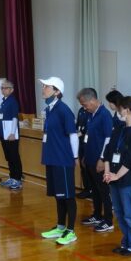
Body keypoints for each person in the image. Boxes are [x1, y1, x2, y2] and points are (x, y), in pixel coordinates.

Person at [102, 96, 131, 256]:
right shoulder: (120, 128)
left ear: (126, 110)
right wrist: (107, 171)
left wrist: (116, 175)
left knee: (130, 214)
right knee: (120, 213)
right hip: (114, 177)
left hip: (128, 179)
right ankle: (126, 242)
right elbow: (108, 151)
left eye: (120, 109)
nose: (118, 112)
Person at [38, 76, 80, 246]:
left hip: (63, 159)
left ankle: (71, 231)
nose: (43, 89)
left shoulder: (64, 110)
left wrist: (75, 157)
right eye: (43, 86)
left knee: (68, 196)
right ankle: (61, 226)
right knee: (58, 195)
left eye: (47, 86)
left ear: (56, 92)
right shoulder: (49, 109)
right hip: (52, 158)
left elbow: (73, 135)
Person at [77, 88, 114, 233]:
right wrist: (85, 156)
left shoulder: (104, 115)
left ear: (92, 100)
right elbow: (87, 137)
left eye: (85, 104)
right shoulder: (90, 114)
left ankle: (108, 220)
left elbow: (108, 139)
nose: (84, 108)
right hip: (90, 158)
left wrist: (102, 159)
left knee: (104, 191)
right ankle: (97, 215)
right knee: (95, 190)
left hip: (99, 160)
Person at [0, 79, 23, 191]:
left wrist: (13, 133)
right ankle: (12, 177)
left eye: (5, 88)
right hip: (4, 134)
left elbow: (14, 117)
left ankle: (17, 180)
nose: (3, 90)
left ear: (11, 90)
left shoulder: (12, 101)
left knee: (14, 157)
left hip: (11, 134)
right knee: (9, 157)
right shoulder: (4, 101)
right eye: (2, 88)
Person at [75, 91, 92, 199]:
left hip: (88, 143)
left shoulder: (91, 111)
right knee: (83, 166)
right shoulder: (81, 110)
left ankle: (91, 189)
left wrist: (81, 133)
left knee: (88, 166)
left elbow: (89, 128)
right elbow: (78, 125)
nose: (82, 104)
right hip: (80, 142)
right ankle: (86, 188)